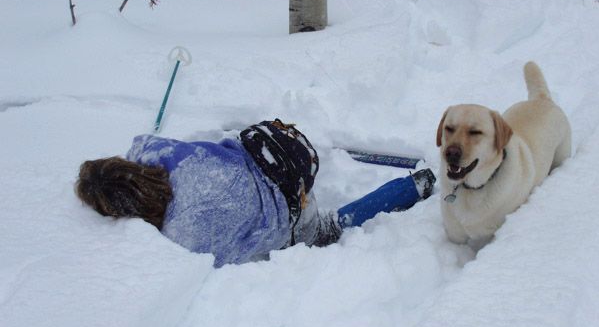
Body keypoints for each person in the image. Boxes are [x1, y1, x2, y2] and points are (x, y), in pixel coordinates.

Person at [76, 119, 435, 268]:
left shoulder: (184, 235)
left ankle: (413, 187)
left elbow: (235, 252)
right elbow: (138, 142)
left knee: (329, 229)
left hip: (288, 202)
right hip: (272, 147)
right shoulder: (155, 153)